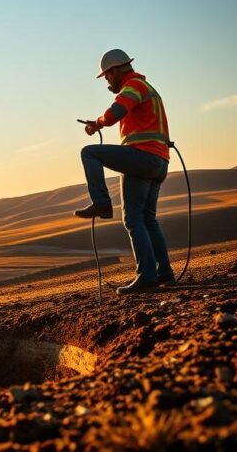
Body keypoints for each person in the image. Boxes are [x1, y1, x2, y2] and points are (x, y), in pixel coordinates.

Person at [76, 49, 174, 295]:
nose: (107, 81)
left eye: (107, 76)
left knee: (89, 153)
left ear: (115, 70)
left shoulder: (133, 86)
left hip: (142, 158)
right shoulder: (147, 87)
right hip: (160, 162)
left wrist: (97, 122)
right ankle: (164, 272)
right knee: (148, 219)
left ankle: (101, 203)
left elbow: (116, 112)